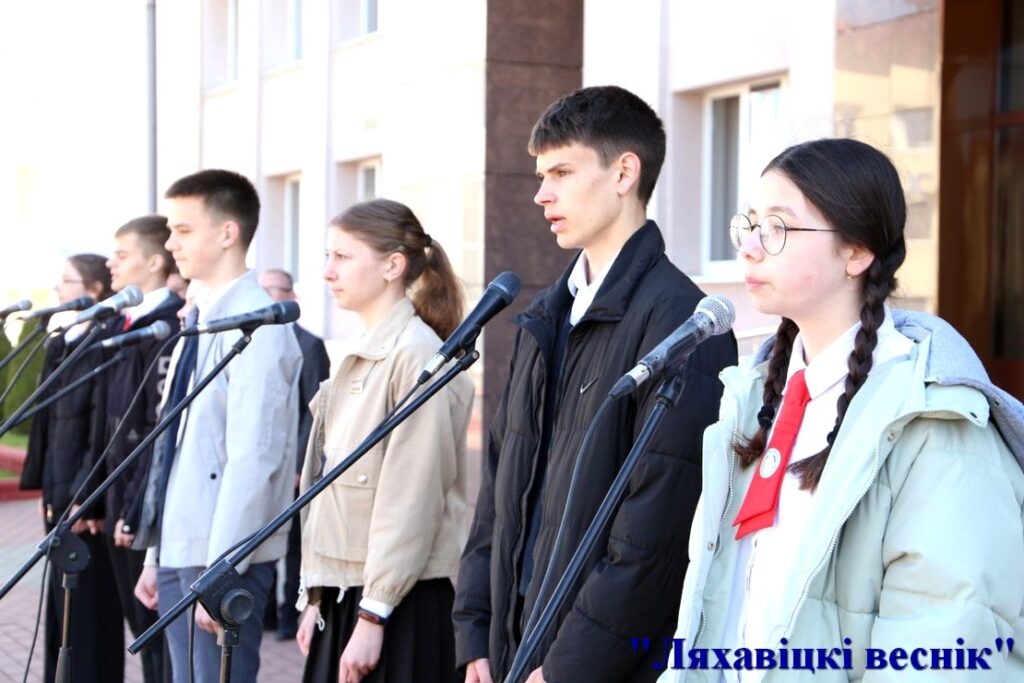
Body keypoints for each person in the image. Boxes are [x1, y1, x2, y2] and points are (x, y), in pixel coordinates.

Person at [661, 138, 1024, 682]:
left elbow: (942, 646)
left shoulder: (937, 425)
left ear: (857, 253)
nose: (750, 248)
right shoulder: (753, 398)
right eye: (750, 224)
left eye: (778, 228)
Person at [452, 85, 738, 683]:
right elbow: (499, 490)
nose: (541, 193)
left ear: (624, 173)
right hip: (510, 649)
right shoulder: (544, 316)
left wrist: (565, 669)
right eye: (541, 175)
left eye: (561, 172)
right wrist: (476, 630)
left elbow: (654, 538)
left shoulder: (683, 326)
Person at [132, 169, 303, 683]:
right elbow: (176, 445)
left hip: (218, 556)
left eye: (183, 230)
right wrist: (156, 552)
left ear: (228, 233)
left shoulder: (259, 324)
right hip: (180, 545)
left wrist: (221, 568)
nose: (170, 244)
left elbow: (254, 457)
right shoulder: (201, 317)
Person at [295, 199, 474, 683]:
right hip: (351, 593)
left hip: (397, 603)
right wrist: (317, 595)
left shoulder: (416, 355)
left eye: (342, 256)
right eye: (328, 256)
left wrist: (374, 614)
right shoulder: (362, 350)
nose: (328, 271)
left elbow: (410, 498)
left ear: (393, 266)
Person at [20, 254, 125, 683]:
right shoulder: (60, 343)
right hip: (58, 493)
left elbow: (101, 430)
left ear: (94, 290)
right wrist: (45, 487)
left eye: (68, 280)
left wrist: (85, 498)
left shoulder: (106, 344)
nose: (59, 289)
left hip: (85, 503)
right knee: (60, 607)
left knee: (89, 608)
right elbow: (47, 425)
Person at [93, 215, 184, 683]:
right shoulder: (124, 323)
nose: (111, 263)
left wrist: (132, 510)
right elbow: (108, 423)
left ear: (154, 262)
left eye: (122, 255)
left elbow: (156, 432)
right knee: (140, 633)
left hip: (141, 507)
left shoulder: (167, 327)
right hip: (118, 496)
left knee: (157, 638)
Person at [257, 267, 331, 641]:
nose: (268, 296)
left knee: (293, 545)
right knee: (262, 539)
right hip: (260, 463)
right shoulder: (251, 342)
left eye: (275, 289)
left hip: (295, 465)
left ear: (292, 295)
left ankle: (290, 613)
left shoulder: (310, 344)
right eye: (263, 289)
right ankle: (266, 613)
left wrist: (303, 464)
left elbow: (314, 411)